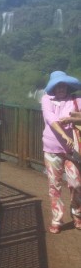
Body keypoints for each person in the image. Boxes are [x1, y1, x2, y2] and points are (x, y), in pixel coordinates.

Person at [41, 70, 81, 234]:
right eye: (58, 86)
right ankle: (57, 220)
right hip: (52, 149)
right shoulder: (46, 100)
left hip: (73, 151)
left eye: (63, 85)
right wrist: (65, 135)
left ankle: (77, 214)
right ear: (53, 88)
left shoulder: (76, 100)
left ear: (68, 86)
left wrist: (72, 119)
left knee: (76, 183)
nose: (61, 88)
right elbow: (51, 120)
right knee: (54, 186)